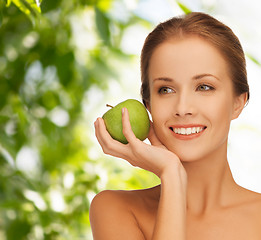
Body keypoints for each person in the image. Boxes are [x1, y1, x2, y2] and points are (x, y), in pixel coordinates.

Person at [90, 12, 261, 240]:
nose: (183, 108)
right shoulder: (116, 209)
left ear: (237, 103)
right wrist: (172, 175)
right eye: (166, 90)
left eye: (204, 87)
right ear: (148, 104)